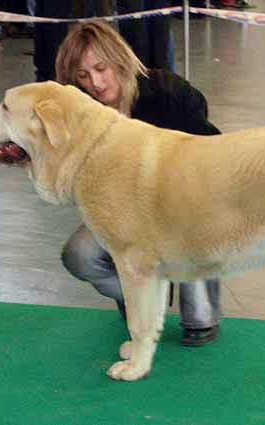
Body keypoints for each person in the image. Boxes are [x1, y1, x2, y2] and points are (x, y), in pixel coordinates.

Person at [55, 21, 222, 346]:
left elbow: (214, 154)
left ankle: (200, 314)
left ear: (119, 59)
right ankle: (142, 297)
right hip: (122, 213)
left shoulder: (168, 93)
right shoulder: (80, 114)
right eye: (83, 76)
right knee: (78, 256)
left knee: (188, 227)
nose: (96, 83)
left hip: (182, 205)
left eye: (101, 69)